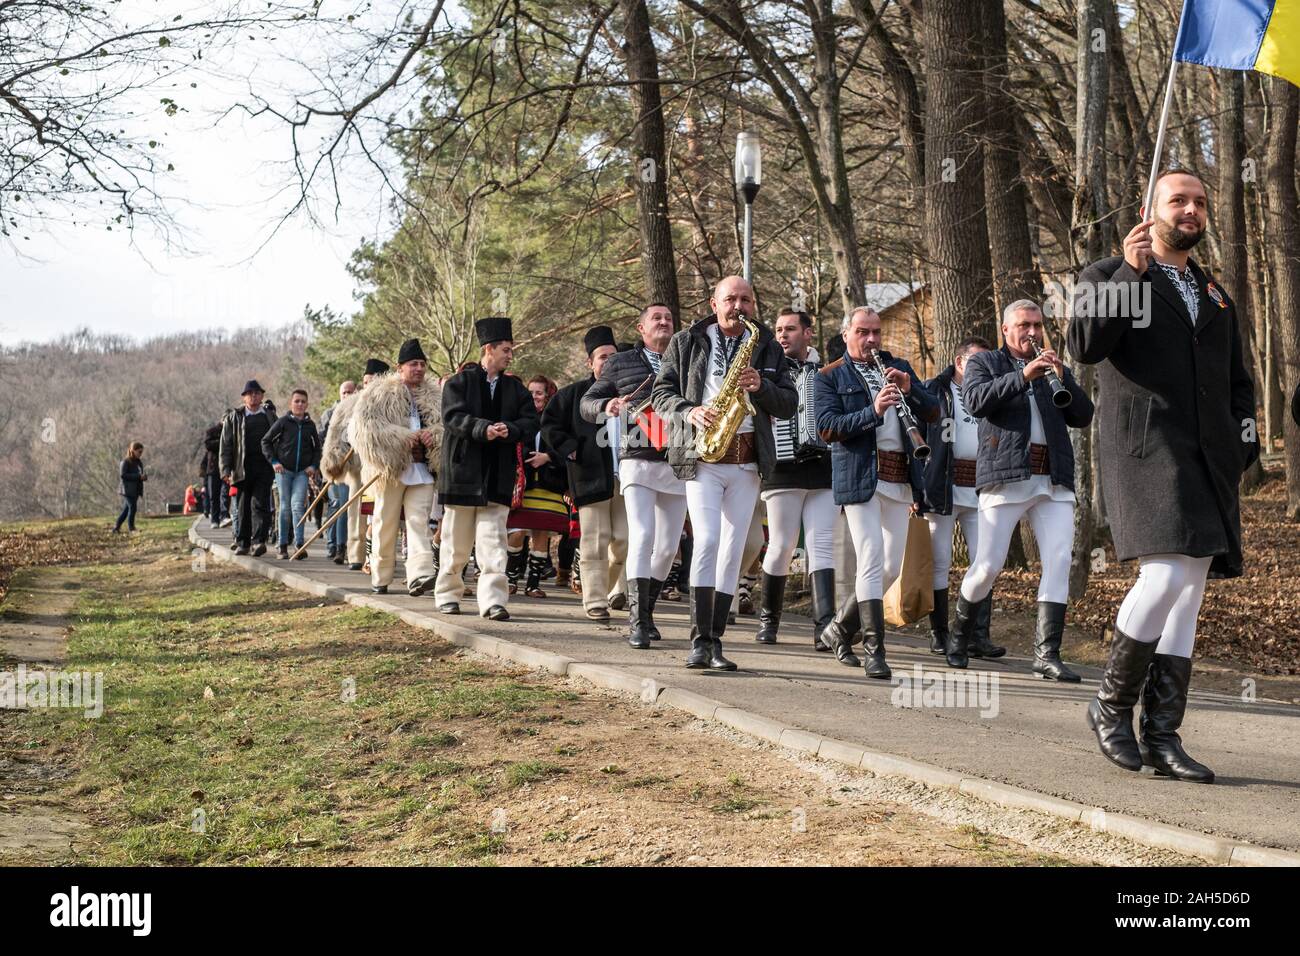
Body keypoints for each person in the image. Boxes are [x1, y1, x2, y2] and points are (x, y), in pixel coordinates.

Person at [1069, 168, 1257, 784]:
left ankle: (1162, 733)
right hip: (1146, 450)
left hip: (1209, 456)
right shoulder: (1109, 275)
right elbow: (1086, 346)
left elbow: (1238, 379)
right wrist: (1131, 273)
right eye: (1180, 200)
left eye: (1201, 202)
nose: (1193, 211)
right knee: (1167, 573)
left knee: (1190, 591)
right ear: (1151, 208)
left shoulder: (1215, 293)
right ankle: (1110, 706)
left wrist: (1242, 440)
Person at [651, 276, 797, 670]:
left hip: (747, 461)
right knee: (709, 539)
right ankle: (698, 641)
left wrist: (763, 386)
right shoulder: (686, 341)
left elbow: (789, 402)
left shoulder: (766, 344)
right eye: (730, 299)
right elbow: (660, 394)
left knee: (734, 549)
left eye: (746, 299)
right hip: (703, 458)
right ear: (713, 303)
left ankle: (715, 643)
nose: (739, 306)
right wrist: (689, 410)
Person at [952, 300, 1094, 675]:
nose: (1032, 332)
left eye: (1037, 324)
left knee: (1059, 560)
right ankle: (959, 634)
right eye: (1023, 325)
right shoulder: (985, 363)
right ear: (1005, 329)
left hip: (1052, 477)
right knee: (988, 565)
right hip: (1005, 474)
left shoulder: (1051, 365)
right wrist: (1024, 375)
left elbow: (1083, 416)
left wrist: (1062, 378)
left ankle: (1046, 655)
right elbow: (976, 401)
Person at [815, 307, 939, 678]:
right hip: (861, 476)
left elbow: (932, 412)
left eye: (876, 333)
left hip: (900, 477)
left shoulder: (898, 366)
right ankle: (875, 650)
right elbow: (827, 428)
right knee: (871, 558)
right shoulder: (829, 376)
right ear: (847, 334)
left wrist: (909, 388)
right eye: (863, 332)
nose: (871, 340)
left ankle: (839, 628)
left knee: (889, 566)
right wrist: (872, 410)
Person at [581, 304, 686, 647]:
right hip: (637, 456)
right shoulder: (619, 363)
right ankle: (638, 623)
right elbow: (588, 402)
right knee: (642, 535)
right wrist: (606, 406)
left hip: (679, 456)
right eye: (656, 318)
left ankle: (647, 609)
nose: (664, 322)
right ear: (641, 328)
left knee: (669, 546)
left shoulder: (686, 357)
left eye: (668, 318)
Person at [435, 317, 538, 620]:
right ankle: (447, 595)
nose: (510, 355)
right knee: (456, 542)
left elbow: (531, 422)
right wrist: (482, 428)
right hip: (463, 475)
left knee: (495, 544)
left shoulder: (515, 389)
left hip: (498, 475)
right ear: (489, 349)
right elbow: (452, 417)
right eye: (506, 349)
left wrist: (510, 429)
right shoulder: (459, 383)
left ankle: (493, 601)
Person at [756, 309, 836, 648]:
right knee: (781, 546)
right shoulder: (770, 371)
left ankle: (824, 628)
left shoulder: (828, 371)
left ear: (808, 333)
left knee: (821, 546)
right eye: (778, 330)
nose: (782, 335)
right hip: (782, 467)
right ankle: (768, 620)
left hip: (823, 467)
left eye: (790, 329)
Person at [920, 337, 1003, 660]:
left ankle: (975, 635)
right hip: (942, 484)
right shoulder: (934, 390)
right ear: (959, 362)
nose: (984, 369)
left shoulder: (991, 394)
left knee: (987, 561)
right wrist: (918, 487)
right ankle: (939, 633)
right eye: (976, 362)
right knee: (940, 560)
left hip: (982, 487)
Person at [543, 327, 629, 622]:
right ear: (590, 363)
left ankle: (602, 590)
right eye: (602, 357)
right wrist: (571, 450)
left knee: (624, 540)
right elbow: (550, 425)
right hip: (590, 475)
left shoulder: (633, 392)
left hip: (628, 478)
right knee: (595, 539)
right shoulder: (574, 394)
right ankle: (595, 601)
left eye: (613, 357)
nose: (608, 362)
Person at [350, 340, 442, 596]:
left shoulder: (435, 395)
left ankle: (419, 575)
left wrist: (432, 435)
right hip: (390, 470)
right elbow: (363, 429)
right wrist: (403, 437)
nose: (419, 369)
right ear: (400, 367)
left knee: (419, 522)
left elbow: (445, 427)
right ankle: (380, 576)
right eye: (414, 364)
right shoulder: (378, 393)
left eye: (423, 364)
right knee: (385, 523)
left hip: (422, 470)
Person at [506, 375, 570, 597]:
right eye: (531, 392)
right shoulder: (520, 416)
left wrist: (548, 457)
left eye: (539, 392)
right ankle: (510, 579)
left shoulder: (557, 420)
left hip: (549, 485)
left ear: (548, 394)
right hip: (523, 486)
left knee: (541, 534)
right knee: (517, 531)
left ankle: (533, 584)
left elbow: (567, 449)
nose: (534, 396)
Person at [321, 362, 388, 570]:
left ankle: (379, 556)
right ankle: (356, 555)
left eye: (373, 381)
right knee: (357, 512)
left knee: (382, 514)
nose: (369, 385)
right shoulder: (349, 405)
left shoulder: (389, 402)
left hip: (381, 467)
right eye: (366, 381)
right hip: (358, 469)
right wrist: (333, 459)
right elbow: (336, 434)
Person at [219, 380, 278, 556]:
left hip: (264, 467)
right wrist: (225, 470)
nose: (254, 396)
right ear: (244, 397)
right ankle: (243, 543)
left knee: (260, 504)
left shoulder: (269, 416)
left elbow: (278, 440)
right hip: (241, 468)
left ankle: (259, 541)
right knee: (243, 506)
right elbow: (226, 445)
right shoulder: (235, 417)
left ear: (262, 396)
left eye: (257, 393)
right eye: (250, 393)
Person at [262, 388, 322, 559]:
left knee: (298, 507)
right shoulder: (282, 422)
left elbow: (317, 449)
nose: (300, 404)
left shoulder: (310, 426)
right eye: (297, 401)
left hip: (302, 473)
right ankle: (282, 546)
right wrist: (274, 462)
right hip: (284, 472)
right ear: (291, 403)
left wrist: (313, 465)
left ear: (307, 404)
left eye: (303, 401)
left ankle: (299, 545)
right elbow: (265, 441)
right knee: (285, 508)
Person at [319, 380, 357, 563]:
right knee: (338, 506)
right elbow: (326, 439)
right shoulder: (330, 414)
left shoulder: (359, 410)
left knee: (349, 508)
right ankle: (335, 545)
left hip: (356, 467)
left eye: (351, 392)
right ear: (340, 394)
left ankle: (344, 547)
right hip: (338, 467)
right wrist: (330, 463)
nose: (348, 396)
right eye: (344, 392)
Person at [114, 442, 147, 533]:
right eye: (139, 452)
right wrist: (138, 476)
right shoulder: (125, 462)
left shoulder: (138, 462)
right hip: (127, 490)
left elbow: (140, 474)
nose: (140, 454)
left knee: (126, 510)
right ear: (133, 451)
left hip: (136, 489)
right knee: (133, 508)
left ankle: (116, 527)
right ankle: (131, 528)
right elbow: (123, 475)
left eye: (141, 452)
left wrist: (143, 477)